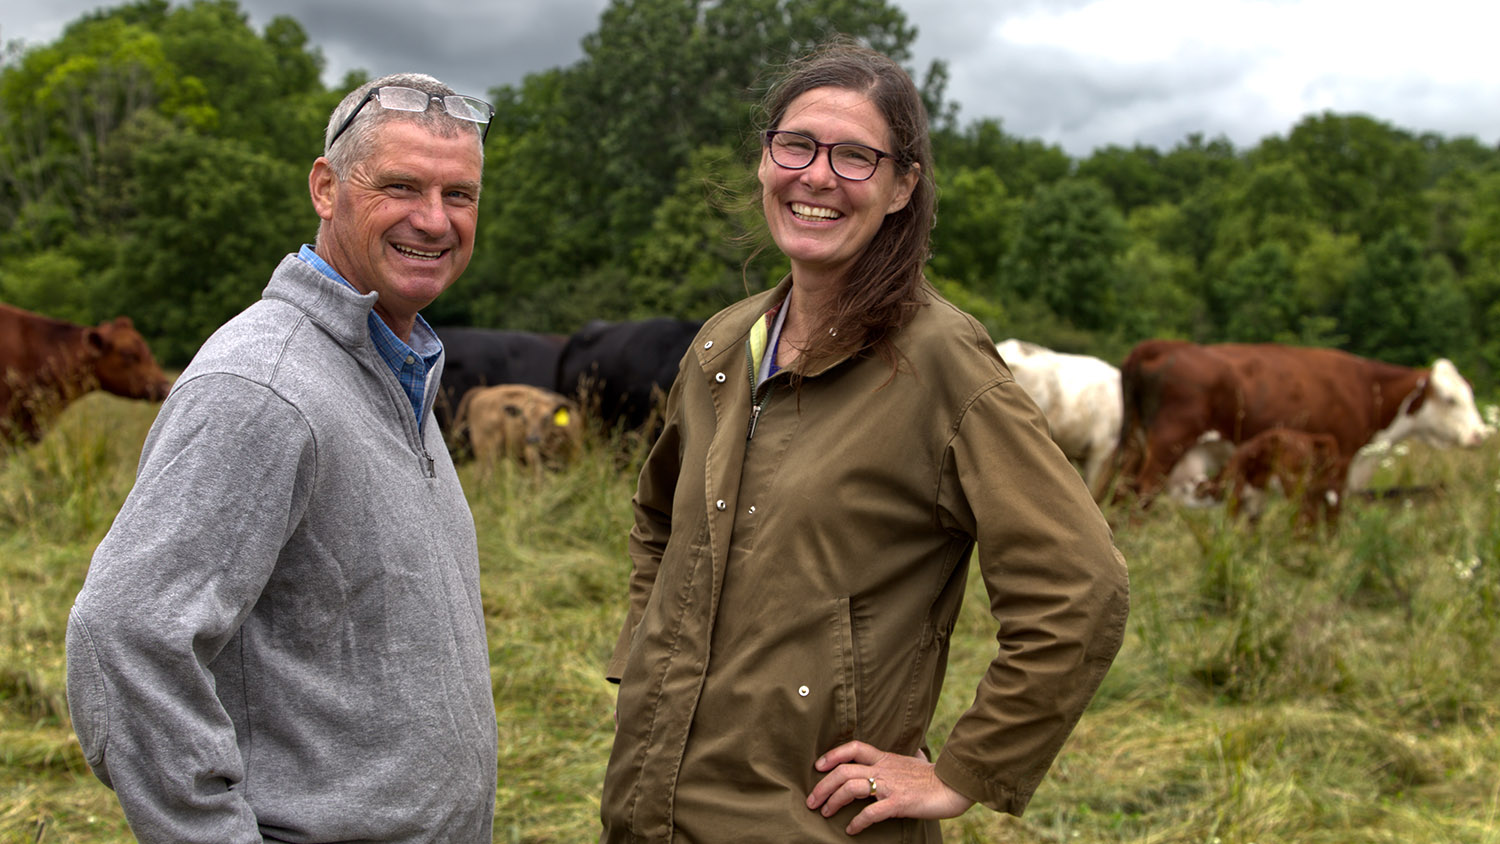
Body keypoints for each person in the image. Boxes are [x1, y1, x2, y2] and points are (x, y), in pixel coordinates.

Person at [598, 41, 1130, 842]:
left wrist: (963, 771)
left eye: (855, 157)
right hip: (650, 804)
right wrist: (648, 659)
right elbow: (656, 519)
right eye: (796, 145)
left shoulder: (942, 362)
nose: (816, 176)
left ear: (901, 187)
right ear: (764, 160)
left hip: (809, 821)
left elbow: (1082, 588)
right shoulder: (721, 346)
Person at [66, 73, 499, 842]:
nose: (434, 221)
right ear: (326, 189)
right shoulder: (263, 386)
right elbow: (124, 637)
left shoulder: (397, 361)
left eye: (458, 195)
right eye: (400, 185)